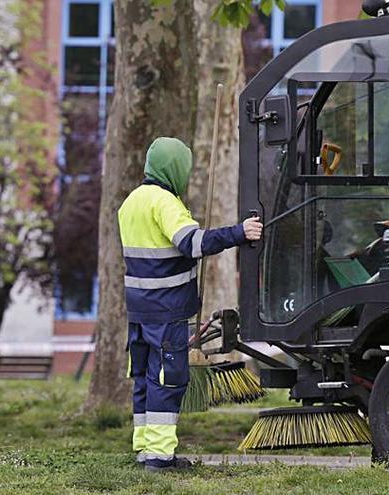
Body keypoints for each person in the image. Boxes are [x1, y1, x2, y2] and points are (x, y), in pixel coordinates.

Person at [117, 137, 262, 472]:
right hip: (166, 311)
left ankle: (144, 448)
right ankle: (160, 457)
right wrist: (239, 233)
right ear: (175, 168)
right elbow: (192, 243)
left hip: (139, 311)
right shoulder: (165, 203)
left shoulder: (131, 202)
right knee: (167, 381)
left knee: (143, 378)